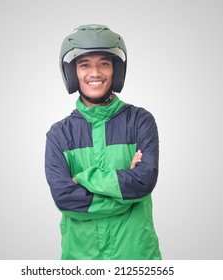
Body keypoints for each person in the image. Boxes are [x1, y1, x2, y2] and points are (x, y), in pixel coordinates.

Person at [45, 24, 162, 260]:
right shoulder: (59, 134)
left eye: (104, 63)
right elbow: (65, 199)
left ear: (116, 70)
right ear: (72, 72)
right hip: (81, 259)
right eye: (84, 64)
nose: (95, 73)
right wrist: (125, 194)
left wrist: (85, 178)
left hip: (136, 257)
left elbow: (143, 182)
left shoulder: (141, 121)